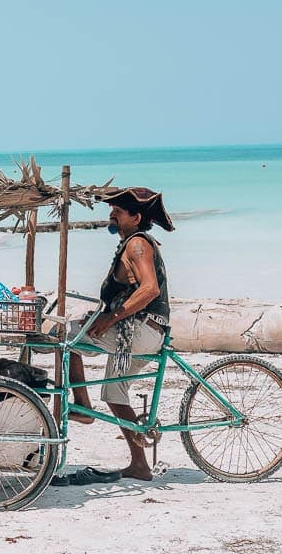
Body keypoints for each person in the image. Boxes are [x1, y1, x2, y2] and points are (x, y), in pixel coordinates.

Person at [67, 186, 174, 481]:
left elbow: (149, 288)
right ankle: (140, 466)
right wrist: (104, 315)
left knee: (66, 337)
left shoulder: (137, 245)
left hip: (140, 331)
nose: (111, 214)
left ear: (136, 217)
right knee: (114, 394)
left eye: (118, 211)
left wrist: (111, 318)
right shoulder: (130, 243)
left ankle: (81, 407)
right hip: (141, 330)